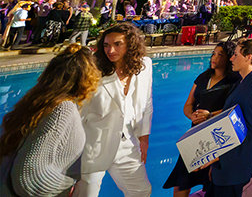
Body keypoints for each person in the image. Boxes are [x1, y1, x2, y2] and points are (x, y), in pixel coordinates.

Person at [0, 44, 100, 196]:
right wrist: (67, 183)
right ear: (87, 78)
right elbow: (29, 176)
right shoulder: (63, 109)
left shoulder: (37, 100)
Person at [76, 23, 154, 197]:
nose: (110, 50)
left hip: (127, 144)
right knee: (86, 194)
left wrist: (144, 138)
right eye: (106, 45)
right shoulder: (93, 70)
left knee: (141, 192)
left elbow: (147, 103)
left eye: (117, 44)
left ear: (131, 45)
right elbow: (78, 110)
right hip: (93, 145)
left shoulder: (145, 65)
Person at [163, 42, 241, 196]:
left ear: (228, 58)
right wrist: (192, 115)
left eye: (220, 55)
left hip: (216, 136)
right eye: (213, 54)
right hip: (195, 134)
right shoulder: (203, 77)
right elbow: (188, 105)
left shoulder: (234, 81)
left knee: (212, 180)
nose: (214, 58)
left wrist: (210, 115)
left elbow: (235, 110)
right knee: (182, 179)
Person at [205, 38, 252, 196]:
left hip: (234, 167)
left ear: (248, 57)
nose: (231, 58)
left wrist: (220, 157)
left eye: (236, 55)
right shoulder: (243, 80)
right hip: (225, 167)